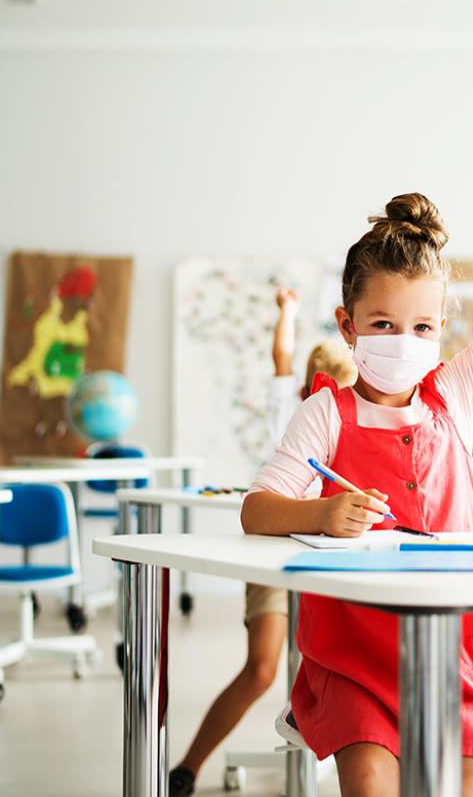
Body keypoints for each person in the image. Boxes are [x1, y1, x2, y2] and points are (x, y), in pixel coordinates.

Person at [241, 109, 473, 796]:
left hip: (463, 641)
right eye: (383, 324)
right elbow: (255, 512)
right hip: (354, 652)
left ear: (441, 329)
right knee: (370, 778)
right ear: (348, 327)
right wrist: (321, 515)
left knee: (468, 777)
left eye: (419, 326)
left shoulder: (456, 394)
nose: (402, 339)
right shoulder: (324, 412)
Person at [168, 287, 356, 797]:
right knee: (262, 669)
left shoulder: (362, 417)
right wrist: (287, 314)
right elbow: (280, 357)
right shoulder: (295, 409)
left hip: (332, 563)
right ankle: (187, 766)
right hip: (276, 555)